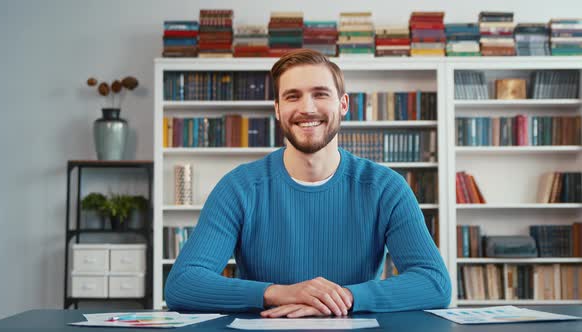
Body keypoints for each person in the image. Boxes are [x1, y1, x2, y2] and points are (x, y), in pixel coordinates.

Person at [165, 49, 451, 318]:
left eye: (320, 94)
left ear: (343, 104)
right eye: (292, 96)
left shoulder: (386, 188)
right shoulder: (238, 188)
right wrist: (279, 293)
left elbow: (434, 283)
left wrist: (342, 298)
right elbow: (183, 284)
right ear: (277, 109)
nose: (307, 108)